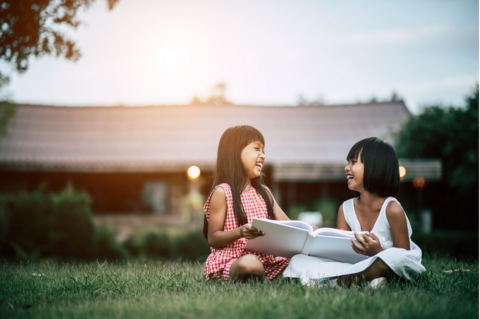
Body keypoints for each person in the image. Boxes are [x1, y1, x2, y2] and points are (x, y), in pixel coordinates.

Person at [283, 137, 426, 287]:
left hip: (385, 265)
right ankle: (367, 280)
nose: (347, 167)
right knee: (298, 260)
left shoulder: (392, 209)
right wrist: (320, 241)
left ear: (374, 166)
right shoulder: (345, 209)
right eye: (347, 162)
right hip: (356, 266)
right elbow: (339, 255)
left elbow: (403, 258)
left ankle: (344, 281)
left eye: (353, 162)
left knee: (395, 259)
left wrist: (378, 251)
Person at [203, 125, 291, 281]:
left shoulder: (264, 192)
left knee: (300, 260)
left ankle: (265, 275)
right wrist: (241, 232)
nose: (262, 155)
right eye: (256, 149)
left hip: (266, 261)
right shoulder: (223, 192)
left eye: (263, 151)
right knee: (250, 263)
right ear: (235, 153)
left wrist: (308, 232)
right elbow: (213, 238)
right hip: (233, 260)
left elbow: (288, 225)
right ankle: (264, 276)